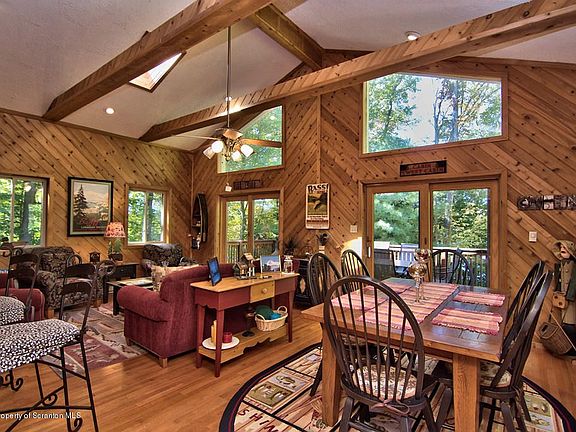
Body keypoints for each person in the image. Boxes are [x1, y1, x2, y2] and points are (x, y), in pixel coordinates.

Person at [552, 239, 576, 352]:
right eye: (561, 247)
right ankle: (567, 347)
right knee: (565, 322)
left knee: (570, 323)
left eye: (565, 248)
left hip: (571, 299)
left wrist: (569, 295)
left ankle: (571, 349)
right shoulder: (561, 264)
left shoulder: (573, 265)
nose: (562, 249)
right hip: (562, 298)